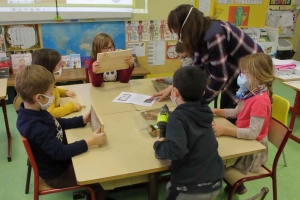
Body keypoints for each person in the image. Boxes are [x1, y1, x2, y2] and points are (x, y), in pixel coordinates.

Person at [15, 65, 108, 200]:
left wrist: (81, 119)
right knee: (97, 174)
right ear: (39, 98)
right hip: (57, 174)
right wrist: (90, 141)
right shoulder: (34, 126)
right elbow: (61, 152)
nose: (53, 95)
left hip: (58, 163)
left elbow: (56, 123)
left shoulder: (33, 110)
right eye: (50, 93)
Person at [151, 4, 263, 116]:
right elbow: (196, 71)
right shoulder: (198, 36)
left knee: (238, 112)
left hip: (251, 74)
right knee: (227, 107)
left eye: (176, 30)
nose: (177, 35)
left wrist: (198, 105)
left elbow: (220, 78)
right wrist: (174, 88)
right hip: (233, 72)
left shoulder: (214, 36)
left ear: (186, 27)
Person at [154, 66, 224, 200]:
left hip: (190, 188)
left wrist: (158, 145)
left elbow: (176, 150)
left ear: (175, 92)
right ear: (203, 92)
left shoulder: (178, 116)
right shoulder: (205, 111)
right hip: (214, 183)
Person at [211, 53, 274, 194]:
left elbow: (253, 133)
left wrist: (225, 130)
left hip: (252, 150)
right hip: (244, 138)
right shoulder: (250, 92)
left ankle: (235, 185)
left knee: (215, 159)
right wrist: (216, 111)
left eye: (245, 73)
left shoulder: (260, 100)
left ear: (257, 75)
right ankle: (235, 186)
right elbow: (236, 112)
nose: (241, 76)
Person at [32, 48, 81, 118]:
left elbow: (54, 90)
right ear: (49, 68)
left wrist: (64, 92)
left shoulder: (46, 84)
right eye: (59, 66)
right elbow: (51, 113)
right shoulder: (44, 90)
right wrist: (72, 107)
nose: (61, 68)